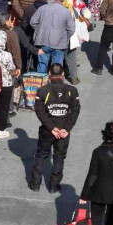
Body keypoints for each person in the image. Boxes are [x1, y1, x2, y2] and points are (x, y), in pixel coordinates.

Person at [29, 63, 80, 193]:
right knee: (59, 157)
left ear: (50, 75)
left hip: (47, 130)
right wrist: (66, 129)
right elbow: (75, 111)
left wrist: (51, 128)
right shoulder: (72, 91)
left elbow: (39, 111)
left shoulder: (43, 90)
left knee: (41, 155)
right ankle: (54, 186)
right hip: (63, 131)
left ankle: (35, 184)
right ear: (63, 75)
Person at [31, 0, 75, 73]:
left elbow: (33, 22)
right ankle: (56, 84)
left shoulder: (43, 8)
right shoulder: (66, 12)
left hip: (43, 41)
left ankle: (42, 84)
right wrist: (65, 37)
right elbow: (71, 29)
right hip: (59, 43)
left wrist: (39, 31)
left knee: (42, 64)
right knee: (57, 68)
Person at [0, 30, 17, 139]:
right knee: (4, 106)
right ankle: (1, 129)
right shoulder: (7, 55)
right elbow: (11, 68)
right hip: (6, 83)